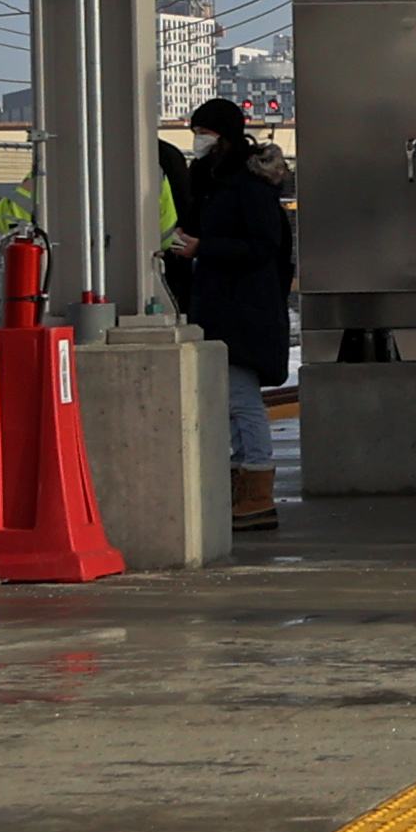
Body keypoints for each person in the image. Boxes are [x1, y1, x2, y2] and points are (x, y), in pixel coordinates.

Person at [160, 96, 293, 526]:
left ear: (223, 135)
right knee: (231, 400)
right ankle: (244, 486)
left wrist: (205, 249)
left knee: (241, 399)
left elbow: (263, 245)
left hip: (243, 309)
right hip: (224, 306)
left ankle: (256, 488)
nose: (197, 140)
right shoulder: (215, 180)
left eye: (204, 132)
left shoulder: (249, 186)